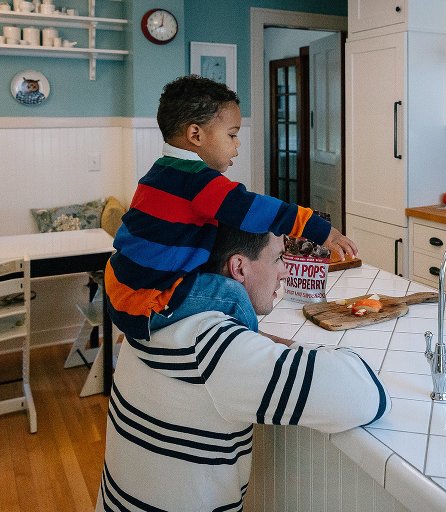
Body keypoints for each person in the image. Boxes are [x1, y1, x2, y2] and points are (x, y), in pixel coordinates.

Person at [96, 227, 390, 511]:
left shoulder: (148, 317)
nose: (285, 271)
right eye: (277, 258)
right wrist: (293, 347)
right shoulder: (217, 348)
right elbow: (367, 395)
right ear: (239, 268)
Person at [105, 75, 357, 343]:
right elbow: (252, 208)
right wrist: (320, 230)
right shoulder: (195, 180)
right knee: (231, 293)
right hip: (147, 301)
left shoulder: (159, 173)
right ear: (195, 135)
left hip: (122, 289)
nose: (237, 144)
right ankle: (253, 346)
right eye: (232, 135)